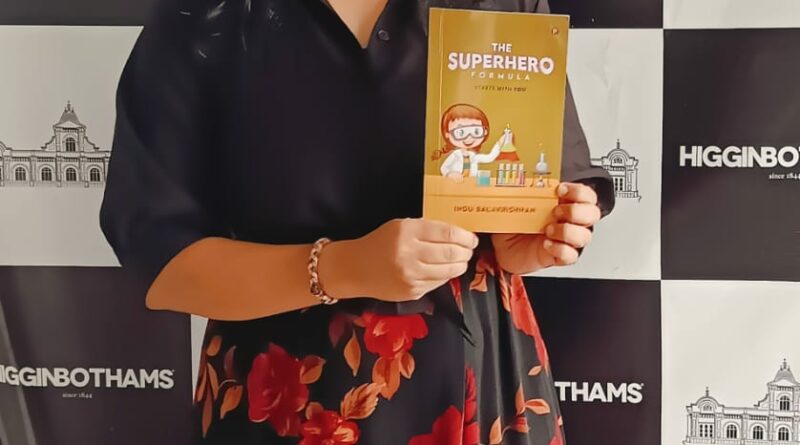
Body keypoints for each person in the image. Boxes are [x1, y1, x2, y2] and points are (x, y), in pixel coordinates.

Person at [99, 0, 614, 443]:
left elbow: (539, 194)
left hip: (479, 387)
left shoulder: (501, 3)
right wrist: (343, 267)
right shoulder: (202, 17)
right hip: (283, 401)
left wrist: (532, 239)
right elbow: (162, 260)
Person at [436, 104, 507, 179]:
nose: (469, 137)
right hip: (455, 184)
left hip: (471, 183)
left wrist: (499, 143)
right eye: (461, 132)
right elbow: (444, 168)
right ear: (447, 134)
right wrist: (450, 174)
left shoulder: (473, 156)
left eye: (476, 131)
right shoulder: (456, 154)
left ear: (485, 131)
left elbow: (489, 157)